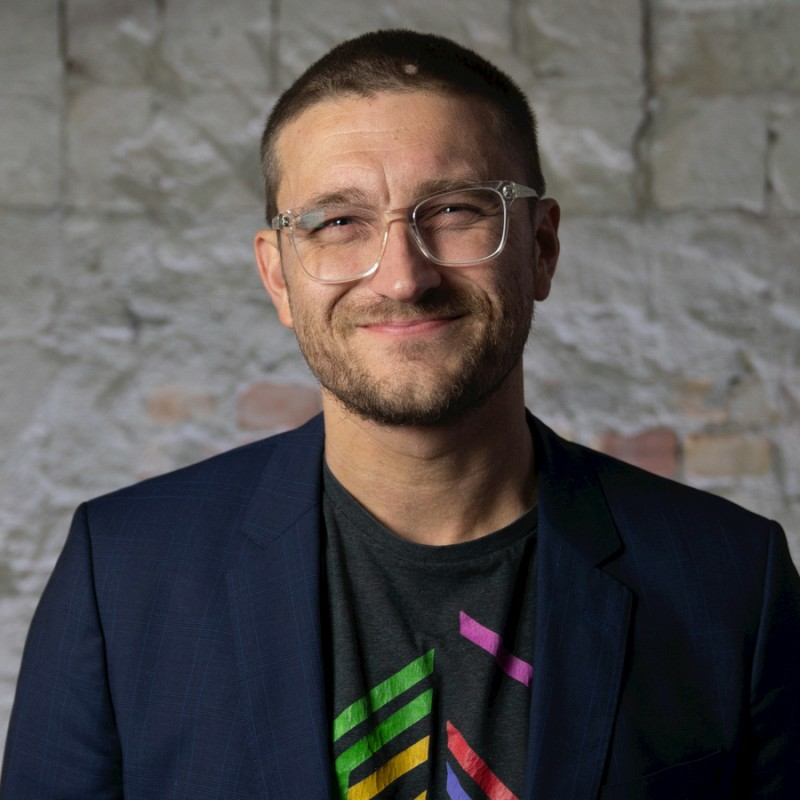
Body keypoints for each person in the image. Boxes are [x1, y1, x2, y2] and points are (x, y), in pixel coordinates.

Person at [2, 29, 799, 800]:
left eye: (453, 209)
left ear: (541, 247)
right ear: (279, 277)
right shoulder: (125, 574)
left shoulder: (731, 584)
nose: (402, 278)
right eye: (338, 222)